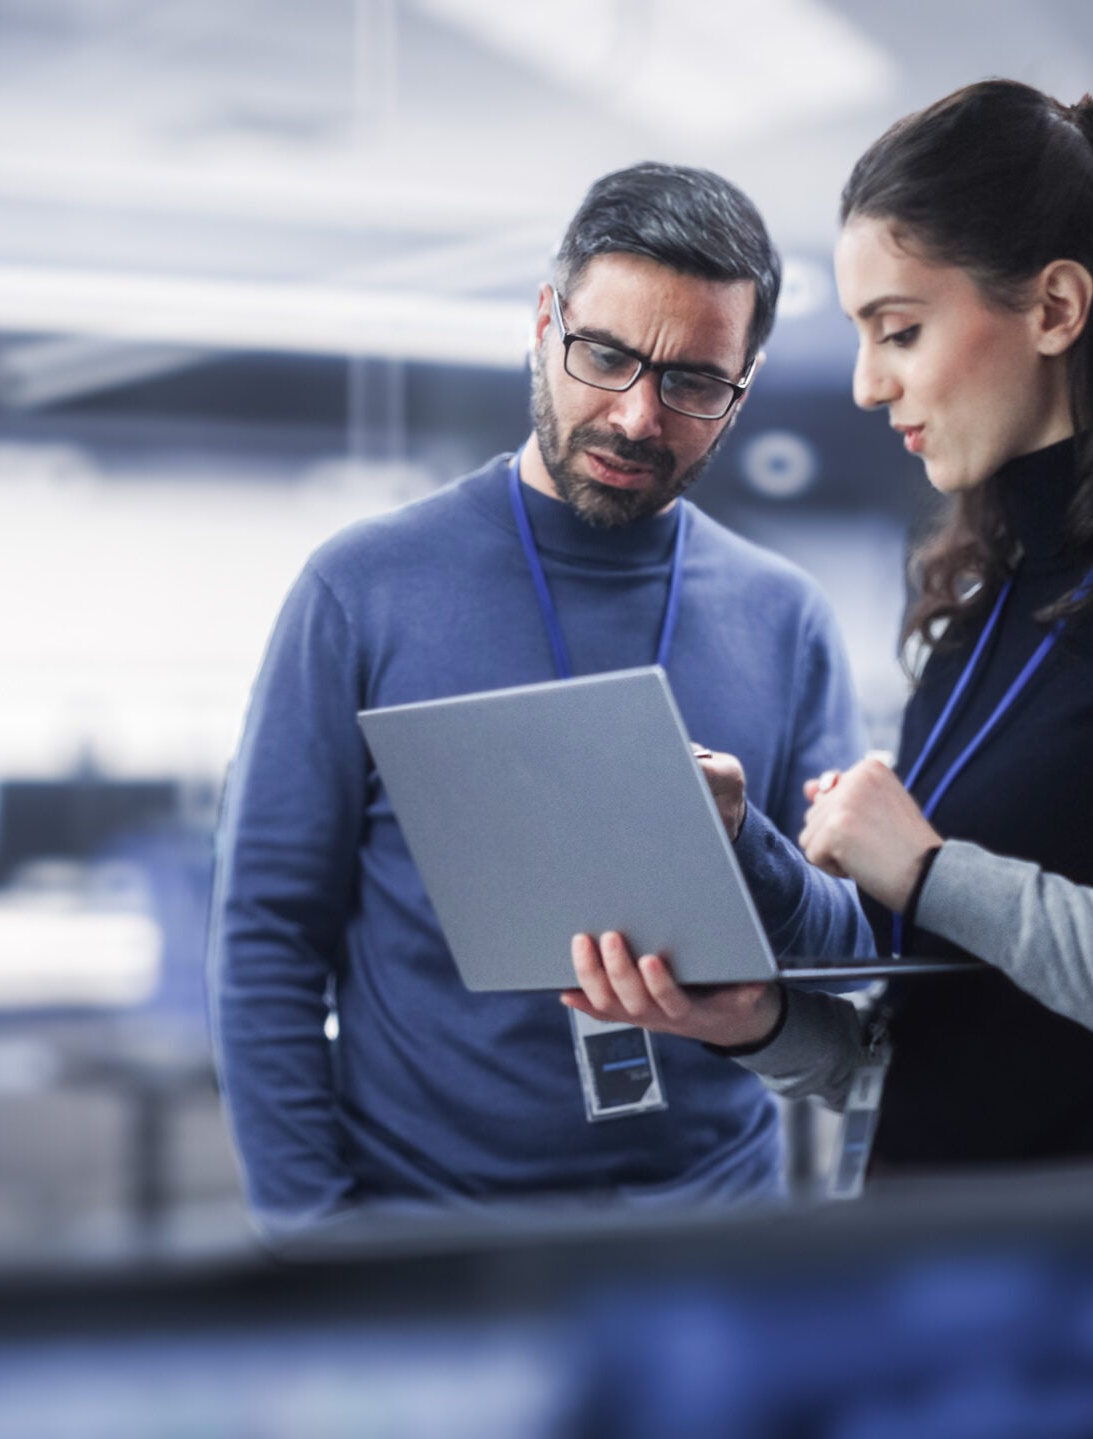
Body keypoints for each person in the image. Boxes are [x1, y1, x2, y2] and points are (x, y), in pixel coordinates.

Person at [562, 82, 1093, 1177]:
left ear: (1053, 308)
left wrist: (935, 874)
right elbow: (935, 1045)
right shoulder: (972, 616)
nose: (865, 384)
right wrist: (755, 1019)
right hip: (929, 1282)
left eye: (898, 330)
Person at [208, 163, 871, 1234]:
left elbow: (845, 955)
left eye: (695, 382)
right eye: (603, 355)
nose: (636, 415)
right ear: (543, 322)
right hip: (426, 1240)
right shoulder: (364, 588)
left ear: (742, 386)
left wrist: (744, 842)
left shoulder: (783, 618)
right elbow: (266, 937)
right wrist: (311, 1240)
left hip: (711, 1240)